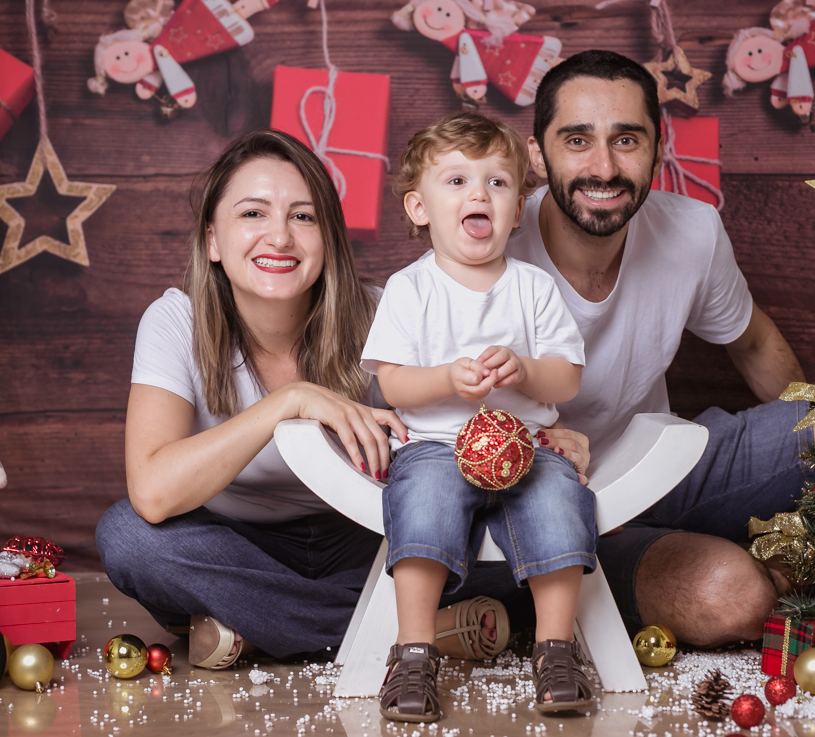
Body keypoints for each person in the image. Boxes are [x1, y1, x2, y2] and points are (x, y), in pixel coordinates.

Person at [95, 129, 520, 670]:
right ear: (213, 241)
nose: (279, 238)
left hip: (371, 538)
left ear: (328, 237)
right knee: (130, 538)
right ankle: (413, 629)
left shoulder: (385, 311)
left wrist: (539, 436)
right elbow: (153, 494)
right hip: (236, 545)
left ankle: (258, 626)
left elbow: (465, 417)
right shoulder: (174, 320)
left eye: (303, 217)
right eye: (253, 214)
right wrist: (288, 402)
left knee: (526, 533)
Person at [504, 50, 815, 648]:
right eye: (576, 139)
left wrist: (800, 444)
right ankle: (536, 604)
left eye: (626, 139)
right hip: (541, 514)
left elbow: (753, 343)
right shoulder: (486, 242)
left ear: (658, 149)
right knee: (734, 598)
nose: (604, 167)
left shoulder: (693, 231)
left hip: (663, 471)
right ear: (536, 155)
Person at [363, 113, 598, 722]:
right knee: (422, 504)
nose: (478, 195)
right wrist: (445, 380)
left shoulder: (533, 288)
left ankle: (555, 648)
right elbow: (391, 382)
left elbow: (566, 376)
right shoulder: (409, 289)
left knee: (559, 501)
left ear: (517, 211)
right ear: (419, 208)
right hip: (438, 444)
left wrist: (523, 369)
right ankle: (414, 651)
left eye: (497, 184)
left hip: (527, 445)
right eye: (457, 181)